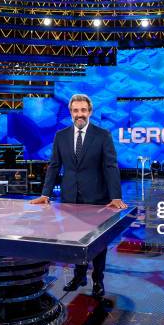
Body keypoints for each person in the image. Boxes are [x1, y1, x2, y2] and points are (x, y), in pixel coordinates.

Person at [30, 94, 127, 297]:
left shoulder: (102, 135)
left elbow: (110, 166)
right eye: (75, 110)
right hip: (70, 200)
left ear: (90, 112)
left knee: (98, 245)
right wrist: (45, 194)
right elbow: (54, 166)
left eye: (83, 110)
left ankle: (98, 281)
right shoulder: (61, 136)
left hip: (97, 199)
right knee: (74, 240)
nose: (79, 114)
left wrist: (116, 196)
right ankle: (79, 276)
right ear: (71, 112)